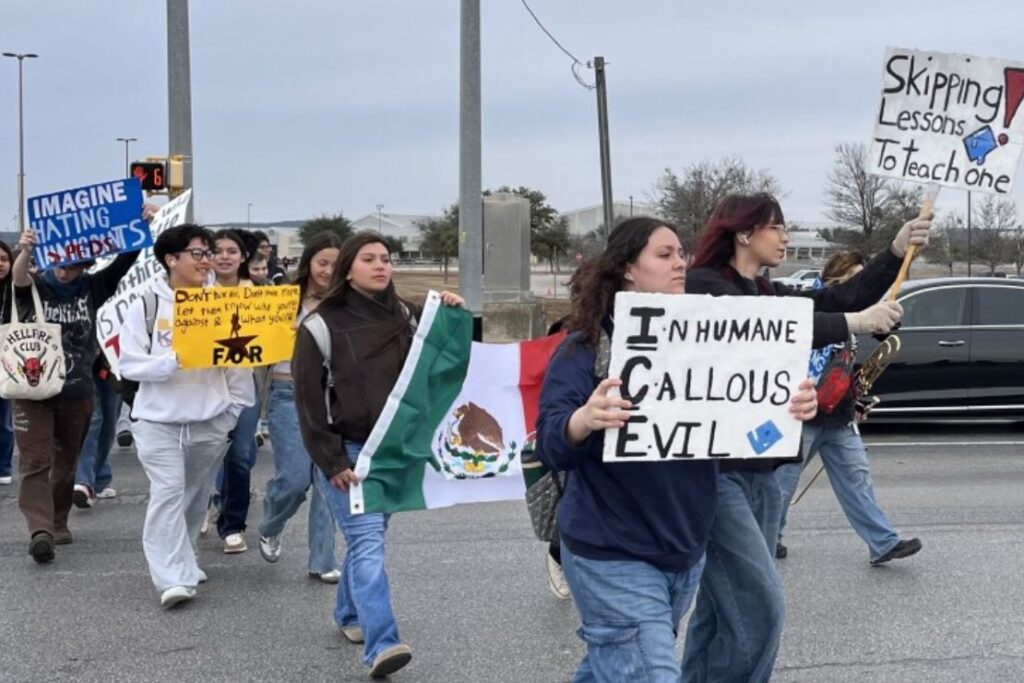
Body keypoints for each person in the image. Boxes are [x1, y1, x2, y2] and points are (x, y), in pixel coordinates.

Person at [536, 217, 818, 682]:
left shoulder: (707, 343)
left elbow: (744, 426)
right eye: (664, 255)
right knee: (646, 670)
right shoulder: (585, 347)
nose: (680, 263)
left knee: (615, 663)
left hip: (682, 551)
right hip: (612, 554)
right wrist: (583, 420)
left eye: (681, 254)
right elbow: (549, 442)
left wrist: (787, 408)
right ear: (628, 268)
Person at [681, 193, 930, 682]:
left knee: (719, 608)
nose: (787, 237)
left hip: (764, 467)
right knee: (762, 607)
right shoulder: (706, 287)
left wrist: (896, 252)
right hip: (717, 473)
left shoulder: (764, 289)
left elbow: (839, 297)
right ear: (744, 232)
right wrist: (853, 325)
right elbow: (761, 329)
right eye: (777, 227)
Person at [292, 231, 465, 678]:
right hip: (351, 454)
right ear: (348, 268)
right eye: (368, 258)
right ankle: (382, 643)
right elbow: (309, 403)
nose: (380, 266)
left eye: (385, 258)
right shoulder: (318, 326)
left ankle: (348, 613)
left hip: (395, 450)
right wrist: (333, 461)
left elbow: (448, 361)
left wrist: (451, 313)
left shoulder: (411, 315)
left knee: (368, 539)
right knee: (368, 542)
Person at [120, 224, 254, 607]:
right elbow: (129, 365)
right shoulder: (145, 303)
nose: (207, 261)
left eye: (208, 253)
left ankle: (186, 557)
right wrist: (172, 362)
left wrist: (232, 412)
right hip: (157, 421)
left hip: (210, 420)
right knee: (168, 492)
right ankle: (171, 578)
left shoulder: (221, 303)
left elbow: (238, 365)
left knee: (195, 498)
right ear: (171, 259)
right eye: (198, 253)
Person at [776, 250, 922, 565]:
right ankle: (769, 537)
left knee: (857, 479)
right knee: (782, 484)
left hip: (839, 412)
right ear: (837, 277)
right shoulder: (815, 303)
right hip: (804, 409)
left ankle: (883, 543)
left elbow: (863, 347)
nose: (861, 288)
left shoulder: (854, 309)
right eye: (855, 279)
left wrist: (855, 397)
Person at [11, 225, 143, 563]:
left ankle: (57, 520)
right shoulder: (37, 286)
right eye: (59, 262)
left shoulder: (93, 287)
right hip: (34, 388)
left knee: (67, 461)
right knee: (35, 461)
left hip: (77, 390)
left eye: (72, 264)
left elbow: (126, 260)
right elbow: (19, 278)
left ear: (85, 265)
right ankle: (40, 530)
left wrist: (142, 223)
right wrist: (25, 250)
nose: (64, 269)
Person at [257, 233, 342, 583]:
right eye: (322, 263)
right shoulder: (282, 301)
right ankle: (270, 523)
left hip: (333, 397)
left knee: (328, 479)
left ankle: (322, 560)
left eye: (337, 265)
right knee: (294, 478)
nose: (328, 271)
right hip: (286, 393)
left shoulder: (347, 304)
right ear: (308, 264)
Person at [200, 229, 264, 554]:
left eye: (232, 251)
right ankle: (201, 505)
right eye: (218, 250)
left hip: (244, 382)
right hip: (203, 384)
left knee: (240, 454)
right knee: (206, 452)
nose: (225, 256)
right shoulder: (195, 290)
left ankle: (233, 525)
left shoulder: (259, 293)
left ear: (243, 257)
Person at [0, 240, 14, 486]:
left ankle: (3, 466)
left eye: (3, 259)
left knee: (4, 417)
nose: (0, 264)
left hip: (9, 360)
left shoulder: (18, 289)